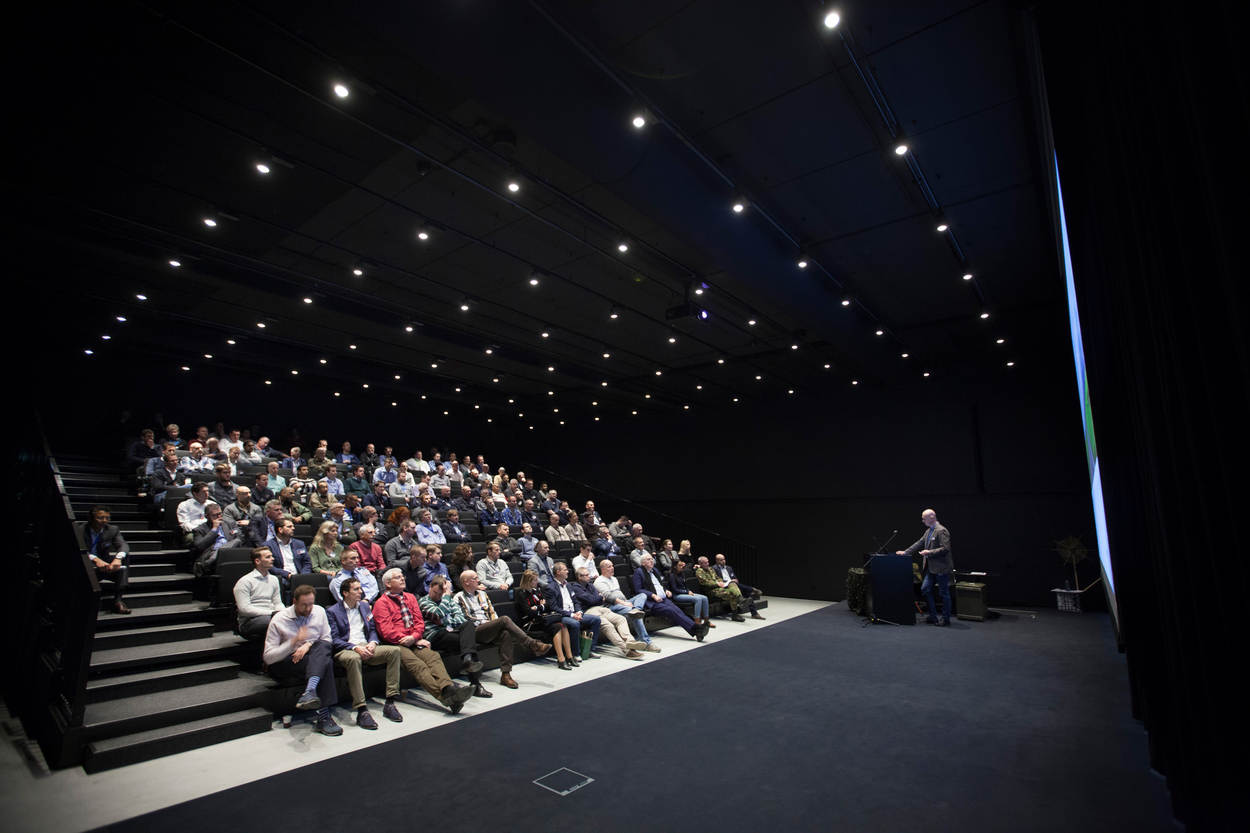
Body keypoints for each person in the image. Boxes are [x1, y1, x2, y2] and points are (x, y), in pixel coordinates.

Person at [372, 568, 474, 714]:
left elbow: (419, 622)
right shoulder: (381, 603)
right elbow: (386, 631)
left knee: (433, 656)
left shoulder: (410, 598)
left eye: (402, 576)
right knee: (418, 665)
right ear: (388, 584)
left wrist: (414, 637)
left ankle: (448, 689)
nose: (403, 579)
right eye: (398, 577)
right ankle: (447, 697)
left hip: (413, 639)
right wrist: (411, 639)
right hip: (395, 644)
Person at [326, 575, 404, 729]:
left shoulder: (364, 606)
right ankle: (362, 709)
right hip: (346, 648)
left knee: (394, 651)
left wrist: (373, 642)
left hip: (366, 646)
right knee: (354, 659)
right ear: (345, 593)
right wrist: (355, 647)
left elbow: (373, 629)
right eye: (356, 589)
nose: (361, 592)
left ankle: (390, 702)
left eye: (360, 588)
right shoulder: (332, 611)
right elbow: (334, 639)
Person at [263, 584, 341, 736]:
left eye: (311, 604)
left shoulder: (319, 611)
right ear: (294, 602)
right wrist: (293, 642)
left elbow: (327, 639)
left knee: (323, 647)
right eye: (304, 605)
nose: (308, 608)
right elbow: (268, 657)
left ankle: (310, 691)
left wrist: (308, 644)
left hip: (311, 655)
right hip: (286, 661)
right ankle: (324, 716)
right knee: (326, 662)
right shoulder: (280, 619)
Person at [454, 570, 550, 688]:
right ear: (466, 582)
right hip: (474, 631)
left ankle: (506, 675)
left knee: (505, 633)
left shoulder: (483, 594)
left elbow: (492, 612)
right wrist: (490, 623)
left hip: (489, 627)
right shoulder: (458, 597)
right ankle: (532, 644)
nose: (478, 580)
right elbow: (465, 618)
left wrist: (494, 624)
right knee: (504, 620)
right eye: (475, 578)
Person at [418, 575, 489, 696]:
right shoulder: (424, 602)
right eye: (435, 592)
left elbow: (461, 618)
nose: (438, 596)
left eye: (441, 594)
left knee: (468, 625)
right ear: (430, 587)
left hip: (450, 632)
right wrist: (446, 596)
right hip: (435, 635)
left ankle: (467, 660)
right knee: (468, 643)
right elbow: (439, 614)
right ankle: (476, 683)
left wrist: (444, 621)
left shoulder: (448, 601)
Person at [572, 566, 645, 659]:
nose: (589, 576)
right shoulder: (575, 587)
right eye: (586, 575)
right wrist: (598, 597)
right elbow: (592, 600)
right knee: (608, 625)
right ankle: (627, 650)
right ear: (579, 577)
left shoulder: (590, 585)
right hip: (589, 611)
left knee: (621, 619)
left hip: (601, 608)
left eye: (588, 574)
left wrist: (597, 598)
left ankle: (631, 642)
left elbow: (600, 599)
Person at [897, 508, 954, 626]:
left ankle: (946, 619)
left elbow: (945, 549)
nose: (923, 521)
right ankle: (933, 616)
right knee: (925, 589)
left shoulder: (941, 531)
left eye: (924, 518)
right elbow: (919, 543)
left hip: (941, 568)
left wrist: (929, 552)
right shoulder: (929, 531)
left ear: (932, 517)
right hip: (930, 568)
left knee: (944, 593)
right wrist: (906, 552)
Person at [633, 554, 707, 640]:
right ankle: (697, 629)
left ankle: (697, 631)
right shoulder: (638, 572)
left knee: (677, 610)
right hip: (652, 602)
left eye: (652, 559)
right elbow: (638, 590)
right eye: (648, 559)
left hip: (663, 599)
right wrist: (652, 595)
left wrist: (666, 590)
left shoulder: (655, 570)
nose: (651, 561)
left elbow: (660, 585)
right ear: (643, 563)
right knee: (671, 611)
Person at [514, 569, 575, 669]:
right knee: (557, 627)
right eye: (534, 580)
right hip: (530, 623)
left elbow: (548, 606)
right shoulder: (521, 594)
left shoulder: (537, 591)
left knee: (563, 626)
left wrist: (538, 607)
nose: (537, 582)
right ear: (528, 581)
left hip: (541, 619)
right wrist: (541, 606)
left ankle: (569, 656)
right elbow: (529, 612)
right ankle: (561, 659)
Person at [594, 560, 657, 651]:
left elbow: (619, 593)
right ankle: (647, 642)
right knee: (635, 614)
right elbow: (609, 597)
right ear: (603, 569)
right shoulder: (599, 581)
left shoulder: (614, 579)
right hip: (611, 606)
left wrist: (626, 602)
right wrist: (624, 603)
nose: (612, 568)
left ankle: (636, 609)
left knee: (642, 595)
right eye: (609, 567)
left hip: (624, 602)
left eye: (612, 566)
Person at [546, 562, 602, 658]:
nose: (568, 571)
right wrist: (572, 615)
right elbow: (554, 607)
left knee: (596, 619)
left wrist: (579, 612)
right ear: (558, 572)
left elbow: (576, 601)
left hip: (575, 613)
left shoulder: (568, 585)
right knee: (575, 624)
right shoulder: (550, 587)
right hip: (562, 616)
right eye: (565, 570)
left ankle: (589, 649)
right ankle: (576, 654)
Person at [81, 506, 130, 614]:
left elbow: (123, 545)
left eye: (107, 518)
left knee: (124, 557)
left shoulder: (112, 529)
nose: (104, 521)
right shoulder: (81, 530)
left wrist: (118, 558)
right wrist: (95, 559)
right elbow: (79, 550)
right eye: (100, 518)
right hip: (86, 566)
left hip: (105, 566)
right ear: (91, 518)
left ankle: (118, 601)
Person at [234, 547, 283, 639]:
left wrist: (282, 613)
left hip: (271, 615)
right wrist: (272, 613)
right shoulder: (245, 581)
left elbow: (278, 602)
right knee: (274, 621)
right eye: (268, 557)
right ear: (257, 561)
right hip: (250, 621)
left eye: (272, 556)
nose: (272, 559)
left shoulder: (274, 579)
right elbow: (245, 609)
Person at [694, 556, 758, 622]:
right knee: (732, 594)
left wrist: (721, 582)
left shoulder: (710, 569)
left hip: (720, 587)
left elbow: (717, 577)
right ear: (700, 564)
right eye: (705, 563)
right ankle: (735, 613)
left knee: (732, 583)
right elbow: (705, 582)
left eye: (707, 562)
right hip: (711, 590)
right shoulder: (699, 572)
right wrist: (717, 583)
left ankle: (740, 600)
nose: (707, 564)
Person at [711, 553, 765, 618]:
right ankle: (752, 589)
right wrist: (730, 581)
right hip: (725, 586)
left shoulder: (729, 568)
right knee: (735, 585)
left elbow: (735, 578)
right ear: (717, 561)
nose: (723, 561)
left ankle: (754, 614)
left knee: (747, 594)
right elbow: (718, 580)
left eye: (724, 559)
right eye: (721, 560)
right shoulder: (713, 569)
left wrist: (734, 580)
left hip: (734, 585)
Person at [191, 502, 237, 575]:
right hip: (211, 554)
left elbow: (239, 538)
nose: (219, 517)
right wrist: (214, 529)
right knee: (221, 551)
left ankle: (207, 563)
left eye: (220, 513)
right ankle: (211, 560)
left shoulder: (229, 524)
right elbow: (199, 547)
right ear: (207, 516)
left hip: (231, 552)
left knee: (237, 541)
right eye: (215, 515)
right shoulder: (199, 529)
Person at [668, 559, 713, 629]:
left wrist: (688, 591)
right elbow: (675, 589)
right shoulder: (672, 575)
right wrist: (686, 592)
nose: (682, 567)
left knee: (705, 598)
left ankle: (706, 621)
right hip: (677, 595)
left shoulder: (682, 574)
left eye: (682, 565)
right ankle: (697, 621)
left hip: (685, 593)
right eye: (679, 565)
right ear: (675, 566)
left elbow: (685, 586)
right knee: (698, 599)